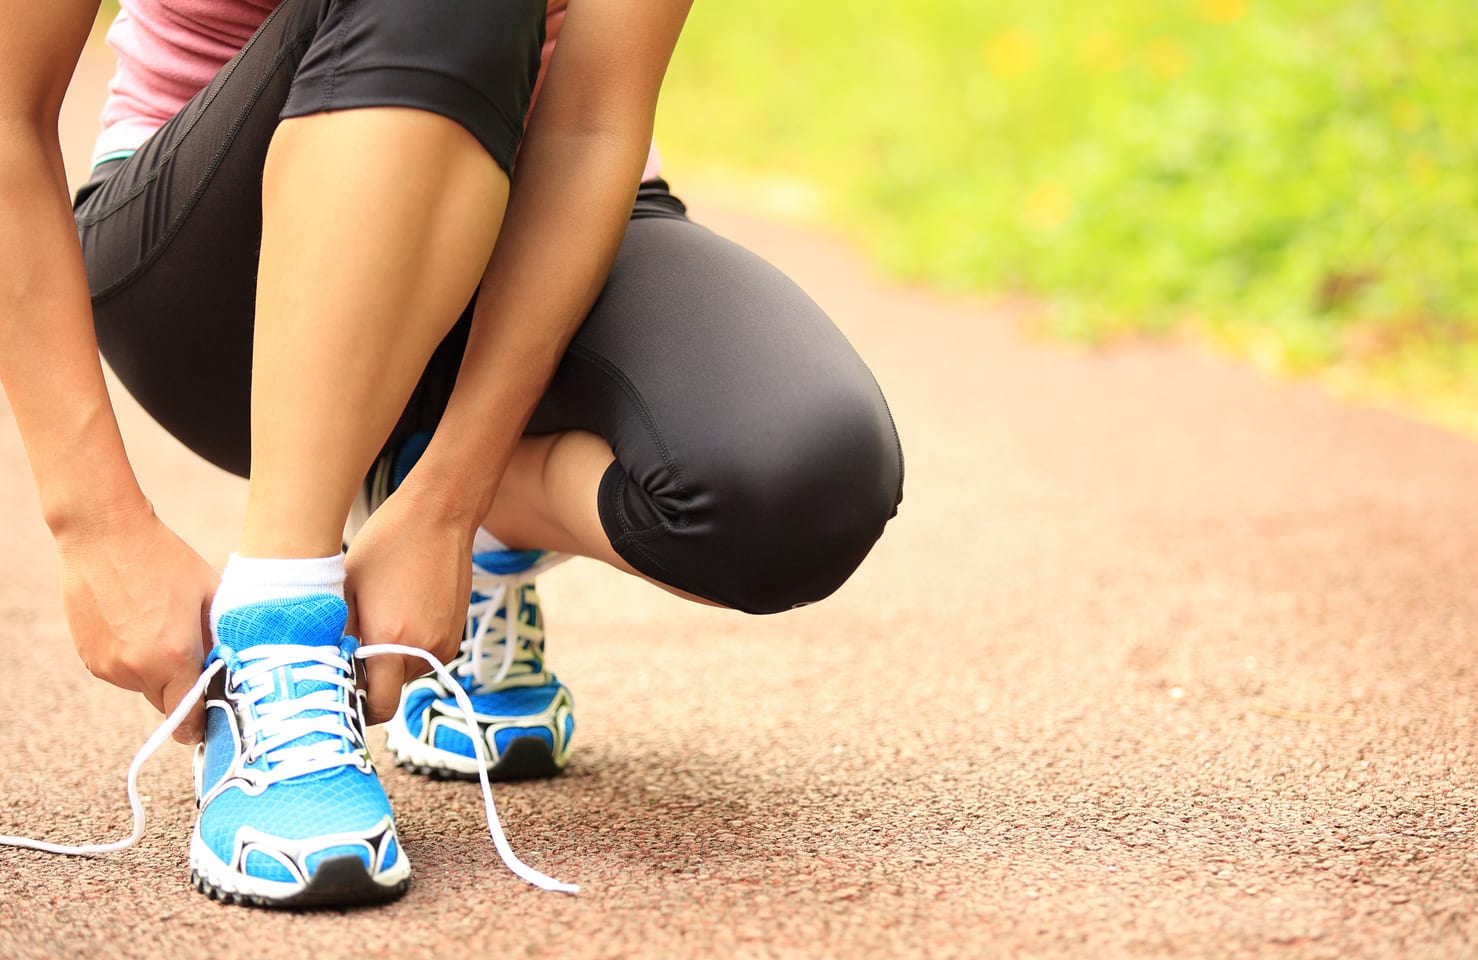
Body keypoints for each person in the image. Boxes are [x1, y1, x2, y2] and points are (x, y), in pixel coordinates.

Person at [0, 0, 902, 908]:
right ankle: (279, 627)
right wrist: (94, 526)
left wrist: (448, 500)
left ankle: (430, 498)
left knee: (797, 481)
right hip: (216, 257)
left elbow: (589, 124)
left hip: (536, 201)